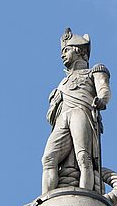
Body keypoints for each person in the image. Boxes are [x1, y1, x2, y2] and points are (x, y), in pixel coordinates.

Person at [41, 28, 111, 194]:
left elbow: (104, 89)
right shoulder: (62, 83)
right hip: (63, 118)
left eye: (66, 50)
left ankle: (85, 194)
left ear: (79, 50)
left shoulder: (93, 72)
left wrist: (102, 100)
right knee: (49, 159)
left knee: (83, 157)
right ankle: (46, 197)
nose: (62, 55)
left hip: (81, 113)